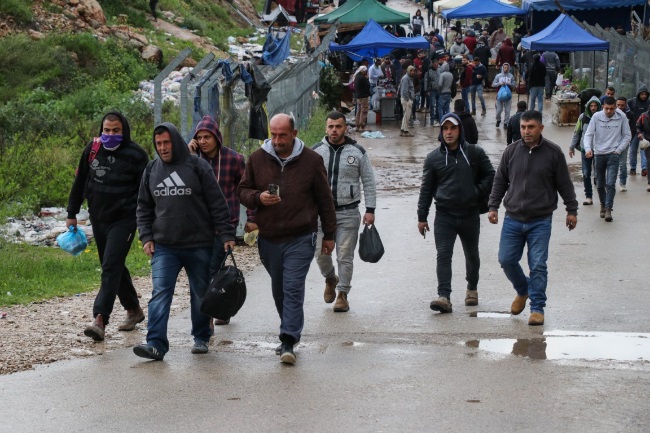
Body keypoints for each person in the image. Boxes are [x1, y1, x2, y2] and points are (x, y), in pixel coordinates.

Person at [237, 114, 336, 364]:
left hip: (301, 235)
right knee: (280, 289)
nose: (278, 140)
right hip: (269, 237)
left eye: (283, 135)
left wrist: (330, 235)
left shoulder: (312, 161)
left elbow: (325, 199)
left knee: (293, 286)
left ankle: (288, 339)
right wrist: (258, 198)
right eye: (273, 135)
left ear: (294, 133)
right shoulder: (258, 158)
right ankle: (289, 328)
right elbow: (242, 190)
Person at [134, 122, 236, 360]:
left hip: (198, 244)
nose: (162, 148)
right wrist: (146, 236)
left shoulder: (197, 166)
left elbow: (216, 202)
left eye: (166, 142)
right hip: (164, 247)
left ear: (176, 141)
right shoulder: (151, 170)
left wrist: (227, 234)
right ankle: (155, 344)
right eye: (158, 143)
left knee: (200, 292)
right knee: (160, 293)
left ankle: (201, 336)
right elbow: (143, 207)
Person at [488, 110, 578, 326]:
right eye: (523, 127)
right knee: (506, 259)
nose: (526, 131)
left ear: (541, 128)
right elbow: (500, 181)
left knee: (538, 264)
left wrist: (571, 210)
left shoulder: (553, 153)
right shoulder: (511, 152)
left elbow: (564, 184)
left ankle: (537, 308)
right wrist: (493, 206)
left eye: (531, 127)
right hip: (513, 218)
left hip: (540, 219)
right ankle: (523, 289)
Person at [67, 112, 149, 342]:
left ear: (124, 131)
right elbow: (81, 180)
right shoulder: (93, 149)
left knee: (110, 266)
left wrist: (147, 222)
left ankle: (100, 318)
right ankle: (134, 309)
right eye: (107, 130)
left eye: (116, 131)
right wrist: (71, 213)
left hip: (125, 219)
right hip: (99, 217)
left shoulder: (136, 154)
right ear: (101, 130)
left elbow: (147, 190)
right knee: (112, 264)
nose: (110, 135)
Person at [418, 113, 495, 313]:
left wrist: (475, 193)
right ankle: (444, 296)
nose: (449, 132)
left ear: (460, 130)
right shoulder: (433, 159)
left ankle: (472, 287)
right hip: (444, 215)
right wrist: (422, 216)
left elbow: (490, 175)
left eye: (453, 128)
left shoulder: (474, 153)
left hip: (469, 214)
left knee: (472, 254)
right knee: (443, 255)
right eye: (445, 129)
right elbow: (426, 189)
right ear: (441, 132)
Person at [187, 115, 256, 326]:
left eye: (207, 136)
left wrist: (251, 218)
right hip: (198, 225)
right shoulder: (191, 161)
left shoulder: (234, 160)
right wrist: (189, 156)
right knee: (202, 270)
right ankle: (219, 307)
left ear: (217, 137)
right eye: (199, 137)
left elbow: (245, 190)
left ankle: (208, 314)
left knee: (211, 269)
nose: (203, 141)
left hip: (225, 224)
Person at [312, 111, 377, 312]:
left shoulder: (357, 152)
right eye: (330, 126)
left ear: (345, 128)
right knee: (319, 253)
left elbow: (368, 180)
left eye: (338, 126)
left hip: (348, 212)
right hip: (320, 214)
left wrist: (370, 209)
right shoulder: (315, 152)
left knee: (345, 255)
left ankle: (342, 294)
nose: (334, 130)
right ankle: (331, 278)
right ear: (326, 128)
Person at [583, 97, 631, 222]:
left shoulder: (621, 117)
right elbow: (589, 134)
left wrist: (618, 150)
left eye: (612, 109)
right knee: (599, 184)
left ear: (615, 107)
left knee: (610, 183)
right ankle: (603, 205)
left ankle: (609, 208)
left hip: (613, 154)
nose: (609, 111)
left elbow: (627, 135)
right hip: (599, 154)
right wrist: (588, 149)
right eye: (606, 108)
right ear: (603, 107)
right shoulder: (596, 117)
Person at [568, 96, 600, 205]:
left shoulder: (603, 117)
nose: (593, 108)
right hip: (585, 149)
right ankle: (588, 196)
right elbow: (577, 132)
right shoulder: (583, 118)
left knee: (599, 173)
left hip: (600, 150)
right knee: (586, 173)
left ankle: (602, 197)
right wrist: (571, 147)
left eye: (595, 106)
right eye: (591, 106)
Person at [627, 86, 650, 176]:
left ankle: (644, 168)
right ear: (638, 94)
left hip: (644, 130)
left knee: (644, 149)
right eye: (642, 94)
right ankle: (633, 168)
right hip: (633, 129)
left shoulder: (648, 103)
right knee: (633, 149)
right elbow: (627, 112)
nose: (644, 96)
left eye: (645, 94)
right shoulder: (632, 102)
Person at [616, 97, 634, 192]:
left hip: (624, 141)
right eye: (618, 105)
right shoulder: (611, 113)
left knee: (622, 164)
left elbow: (632, 127)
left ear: (626, 105)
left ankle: (622, 183)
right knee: (610, 163)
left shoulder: (629, 114)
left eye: (622, 105)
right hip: (612, 142)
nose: (620, 107)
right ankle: (609, 182)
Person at [492, 63, 515, 128]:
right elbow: (493, 84)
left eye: (507, 68)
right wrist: (499, 83)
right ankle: (498, 120)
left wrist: (509, 83)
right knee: (499, 110)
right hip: (500, 96)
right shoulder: (498, 76)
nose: (506, 69)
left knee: (507, 110)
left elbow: (514, 85)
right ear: (502, 68)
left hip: (508, 96)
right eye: (505, 68)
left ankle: (506, 123)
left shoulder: (511, 76)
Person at [635, 104, 650, 192]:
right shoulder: (644, 116)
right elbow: (638, 126)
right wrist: (639, 133)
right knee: (649, 161)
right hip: (648, 141)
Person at [400, 65, 416, 137]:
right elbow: (404, 91)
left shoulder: (409, 78)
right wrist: (408, 99)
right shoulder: (406, 78)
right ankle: (406, 131)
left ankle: (403, 130)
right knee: (407, 116)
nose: (413, 72)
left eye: (413, 71)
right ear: (408, 71)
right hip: (406, 100)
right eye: (411, 71)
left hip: (407, 99)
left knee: (406, 116)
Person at [354, 65, 371, 132]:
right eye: (366, 71)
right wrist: (367, 78)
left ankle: (357, 125)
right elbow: (368, 86)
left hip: (358, 96)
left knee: (358, 110)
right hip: (363, 96)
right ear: (363, 71)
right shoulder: (363, 78)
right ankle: (362, 125)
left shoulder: (356, 76)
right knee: (364, 110)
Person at [423, 60, 440, 125]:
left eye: (437, 65)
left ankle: (437, 118)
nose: (436, 66)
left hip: (438, 90)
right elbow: (426, 82)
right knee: (432, 105)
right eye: (435, 65)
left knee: (438, 105)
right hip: (431, 90)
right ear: (432, 64)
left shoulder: (439, 71)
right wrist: (426, 90)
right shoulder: (428, 72)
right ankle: (432, 119)